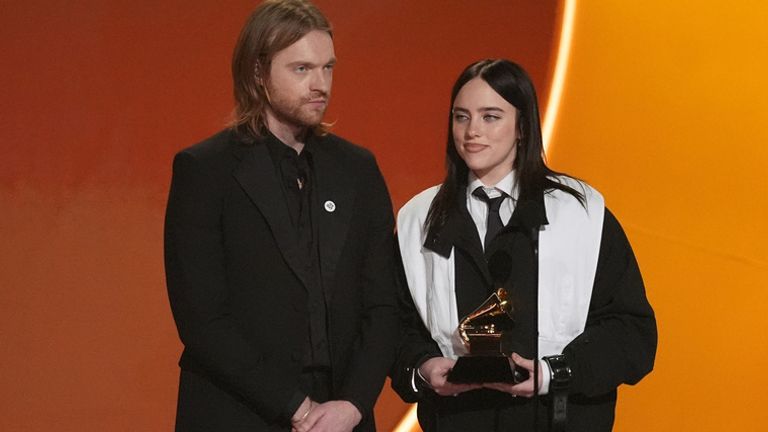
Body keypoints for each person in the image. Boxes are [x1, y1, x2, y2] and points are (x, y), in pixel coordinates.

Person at [163, 1, 399, 431]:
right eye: (302, 69)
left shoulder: (357, 170)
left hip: (342, 417)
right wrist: (299, 408)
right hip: (238, 412)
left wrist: (352, 405)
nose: (320, 85)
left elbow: (383, 303)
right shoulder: (206, 170)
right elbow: (203, 320)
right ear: (258, 72)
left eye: (328, 68)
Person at [391, 59, 657, 431]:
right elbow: (395, 325)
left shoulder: (581, 214)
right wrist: (423, 366)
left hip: (556, 420)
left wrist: (554, 373)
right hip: (459, 419)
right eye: (461, 117)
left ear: (522, 126)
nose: (472, 131)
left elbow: (631, 332)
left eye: (490, 117)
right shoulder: (417, 219)